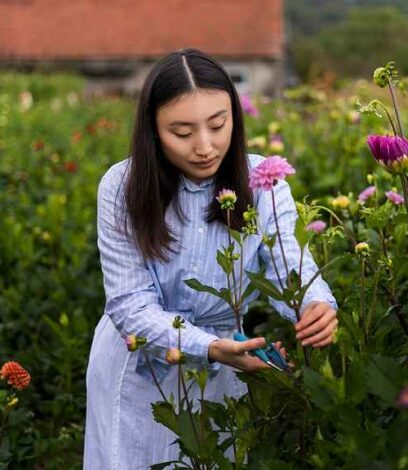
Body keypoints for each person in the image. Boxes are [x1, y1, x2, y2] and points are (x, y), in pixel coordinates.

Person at [83, 48, 338, 469]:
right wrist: (208, 346)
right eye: (182, 132)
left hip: (227, 367)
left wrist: (315, 305)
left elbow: (288, 265)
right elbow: (130, 304)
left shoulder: (263, 184)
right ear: (152, 131)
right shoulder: (122, 186)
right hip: (140, 364)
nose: (205, 147)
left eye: (218, 125)